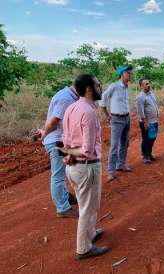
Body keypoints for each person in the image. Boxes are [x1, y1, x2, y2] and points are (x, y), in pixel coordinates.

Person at [59, 74, 110, 260]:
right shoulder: (88, 112)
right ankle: (83, 248)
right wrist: (71, 153)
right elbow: (88, 150)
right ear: (89, 89)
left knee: (86, 204)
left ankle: (90, 234)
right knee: (88, 208)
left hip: (74, 167)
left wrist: (68, 153)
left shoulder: (71, 108)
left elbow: (66, 140)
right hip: (87, 166)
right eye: (98, 85)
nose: (100, 87)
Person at [36, 85, 79, 218]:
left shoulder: (66, 95)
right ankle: (63, 208)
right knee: (58, 175)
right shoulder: (66, 98)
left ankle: (65, 197)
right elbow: (54, 121)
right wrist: (45, 134)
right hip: (56, 141)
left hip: (57, 139)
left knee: (63, 172)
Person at [99, 65, 133, 182]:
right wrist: (107, 115)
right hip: (117, 119)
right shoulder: (114, 86)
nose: (130, 75)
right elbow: (102, 100)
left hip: (127, 118)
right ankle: (111, 171)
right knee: (114, 145)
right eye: (128, 73)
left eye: (130, 73)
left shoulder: (126, 87)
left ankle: (121, 164)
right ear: (122, 74)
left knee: (125, 142)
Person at [136, 79, 159, 164]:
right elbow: (140, 111)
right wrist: (145, 122)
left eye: (149, 83)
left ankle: (149, 154)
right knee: (146, 139)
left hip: (154, 121)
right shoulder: (140, 97)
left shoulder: (152, 94)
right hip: (146, 122)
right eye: (146, 84)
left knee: (152, 138)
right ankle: (145, 156)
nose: (148, 85)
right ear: (141, 86)